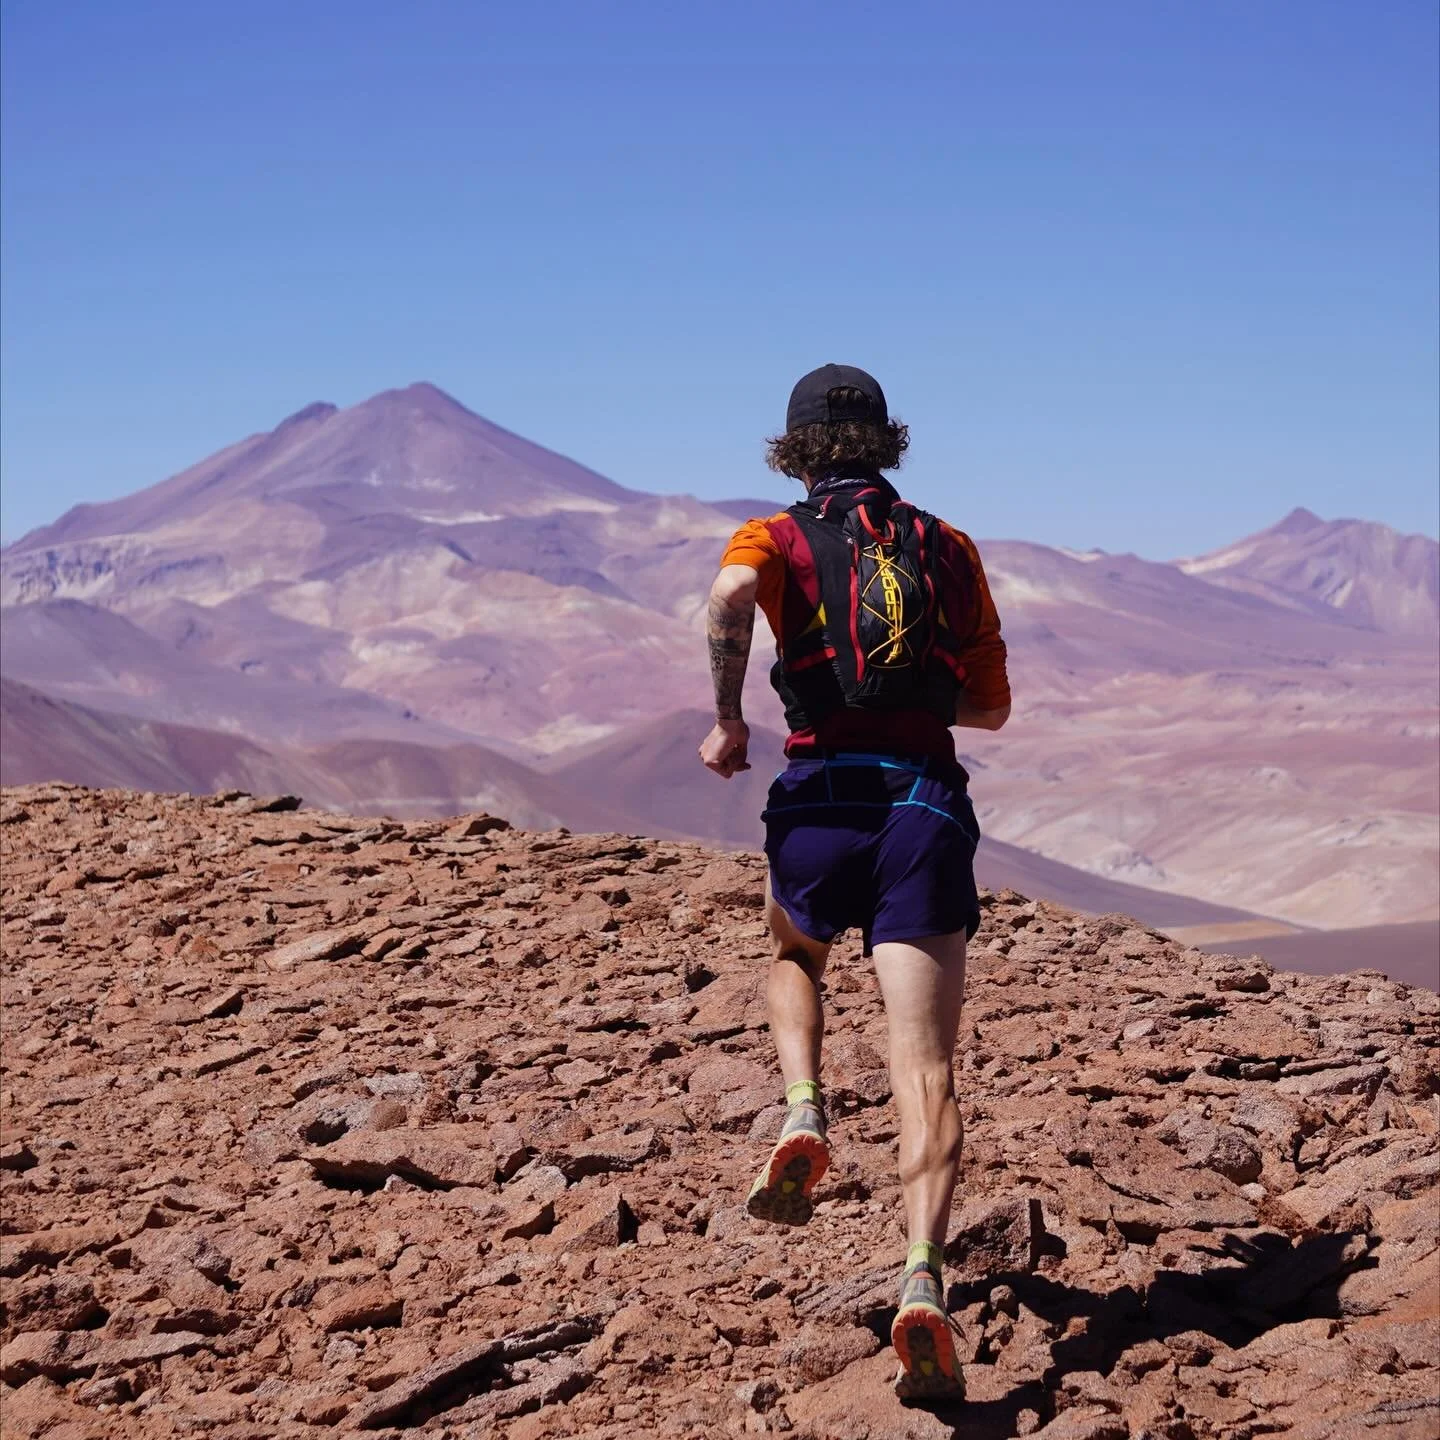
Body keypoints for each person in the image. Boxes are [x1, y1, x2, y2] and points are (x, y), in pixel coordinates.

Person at [698, 364, 1011, 1402]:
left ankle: (802, 1107)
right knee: (927, 1070)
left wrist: (732, 712)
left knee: (793, 950)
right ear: (887, 442)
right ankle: (922, 1273)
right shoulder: (949, 550)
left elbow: (728, 597)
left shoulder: (772, 539)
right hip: (920, 809)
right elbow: (992, 711)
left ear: (792, 452)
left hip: (819, 800)